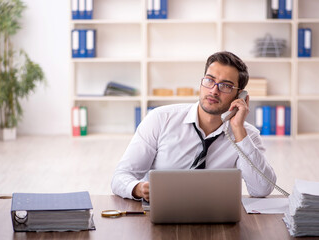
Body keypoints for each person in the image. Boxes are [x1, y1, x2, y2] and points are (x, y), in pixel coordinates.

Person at [111, 51, 276, 201]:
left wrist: (239, 130)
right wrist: (138, 188)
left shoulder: (246, 135)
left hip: (217, 220)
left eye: (226, 85)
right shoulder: (160, 119)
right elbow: (121, 176)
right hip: (163, 213)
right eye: (209, 80)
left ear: (240, 95)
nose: (214, 91)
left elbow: (262, 189)